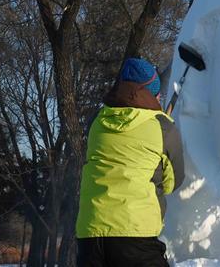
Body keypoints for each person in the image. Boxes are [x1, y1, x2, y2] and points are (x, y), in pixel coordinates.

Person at [76, 57, 185, 267]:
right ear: (152, 93)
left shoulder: (97, 121)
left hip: (89, 234)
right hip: (133, 234)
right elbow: (174, 182)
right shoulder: (163, 128)